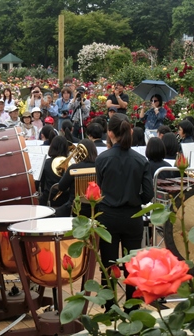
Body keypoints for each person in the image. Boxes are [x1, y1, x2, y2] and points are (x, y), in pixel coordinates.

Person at [95, 113, 153, 312]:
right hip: (132, 217)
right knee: (131, 266)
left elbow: (101, 188)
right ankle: (132, 308)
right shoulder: (140, 160)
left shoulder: (102, 158)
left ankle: (110, 308)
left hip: (108, 217)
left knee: (109, 264)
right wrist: (135, 201)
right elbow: (148, 193)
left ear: (110, 133)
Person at [55, 139, 98, 217]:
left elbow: (61, 187)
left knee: (53, 214)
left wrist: (65, 172)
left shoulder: (74, 168)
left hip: (74, 208)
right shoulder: (99, 166)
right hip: (94, 208)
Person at [39, 136, 69, 207]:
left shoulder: (46, 163)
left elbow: (41, 184)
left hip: (48, 199)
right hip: (66, 200)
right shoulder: (70, 164)